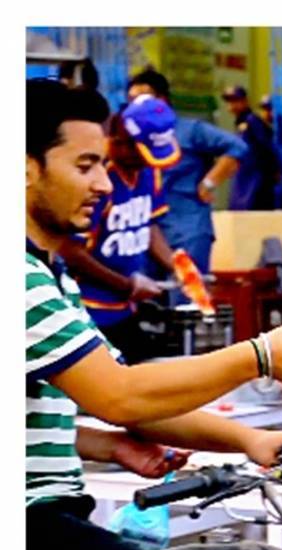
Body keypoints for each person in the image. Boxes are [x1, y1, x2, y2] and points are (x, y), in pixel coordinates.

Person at [25, 79, 282, 550]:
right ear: (25, 168)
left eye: (102, 164)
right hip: (30, 526)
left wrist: (250, 440)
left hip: (55, 517)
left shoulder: (51, 275)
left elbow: (129, 401)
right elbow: (120, 396)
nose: (103, 184)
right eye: (85, 166)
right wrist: (261, 355)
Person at [59, 94, 181, 363]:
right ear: (120, 139)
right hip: (88, 310)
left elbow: (148, 224)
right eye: (142, 154)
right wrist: (127, 285)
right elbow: (69, 250)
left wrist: (177, 266)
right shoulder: (97, 181)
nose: (147, 162)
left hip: (125, 309)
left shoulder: (149, 172)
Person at [127, 67, 246, 275]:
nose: (137, 105)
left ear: (162, 100)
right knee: (147, 293)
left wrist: (209, 183)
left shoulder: (189, 130)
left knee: (187, 292)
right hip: (147, 233)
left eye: (143, 99)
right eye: (132, 100)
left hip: (188, 228)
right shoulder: (132, 139)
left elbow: (237, 147)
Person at [221, 85, 281, 211]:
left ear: (244, 101)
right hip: (244, 177)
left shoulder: (252, 121)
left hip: (255, 180)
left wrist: (275, 169)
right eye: (229, 101)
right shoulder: (241, 122)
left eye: (235, 101)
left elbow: (267, 147)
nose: (231, 105)